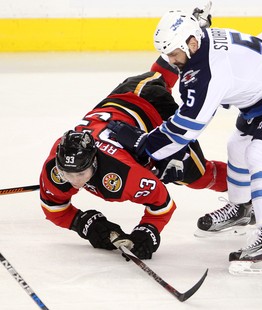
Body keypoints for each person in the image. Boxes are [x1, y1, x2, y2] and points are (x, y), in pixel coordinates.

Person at [107, 9, 262, 275]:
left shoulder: (207, 73)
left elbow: (186, 127)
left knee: (260, 154)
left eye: (174, 54)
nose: (171, 60)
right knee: (238, 145)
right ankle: (243, 207)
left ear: (191, 43)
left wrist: (145, 145)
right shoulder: (199, 39)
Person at [39, 61, 228, 261]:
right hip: (118, 115)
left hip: (145, 103)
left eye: (80, 174)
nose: (75, 182)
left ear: (94, 162)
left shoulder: (125, 173)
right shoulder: (56, 166)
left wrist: (148, 230)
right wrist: (84, 223)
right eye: (67, 174)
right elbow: (54, 209)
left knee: (198, 177)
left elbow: (162, 203)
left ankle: (252, 192)